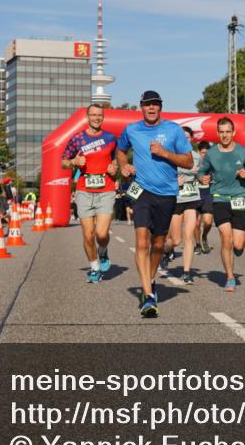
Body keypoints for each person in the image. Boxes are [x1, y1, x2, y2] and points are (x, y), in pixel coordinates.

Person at [116, 90, 193, 318]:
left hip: (167, 193)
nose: (151, 108)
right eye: (147, 104)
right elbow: (120, 150)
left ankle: (149, 280)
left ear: (160, 107)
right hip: (141, 192)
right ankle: (148, 295)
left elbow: (189, 162)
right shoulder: (132, 130)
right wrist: (123, 165)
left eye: (155, 104)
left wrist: (165, 153)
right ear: (141, 107)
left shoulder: (173, 130)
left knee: (158, 243)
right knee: (142, 241)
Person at [61, 104, 118, 283]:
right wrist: (74, 161)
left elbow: (116, 160)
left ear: (103, 117)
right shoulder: (77, 139)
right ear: (87, 117)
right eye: (93, 115)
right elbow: (63, 162)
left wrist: (114, 167)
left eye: (99, 115)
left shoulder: (110, 138)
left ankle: (103, 251)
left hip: (106, 189)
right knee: (88, 235)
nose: (96, 118)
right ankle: (94, 267)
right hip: (84, 190)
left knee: (101, 234)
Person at [198, 118, 245, 292]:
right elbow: (201, 171)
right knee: (226, 238)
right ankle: (230, 278)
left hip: (239, 197)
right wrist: (202, 178)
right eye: (221, 132)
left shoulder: (243, 151)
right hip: (219, 198)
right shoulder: (211, 153)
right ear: (217, 133)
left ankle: (239, 247)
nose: (225, 135)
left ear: (233, 132)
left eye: (228, 132)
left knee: (238, 244)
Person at [164, 126, 202, 285]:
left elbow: (201, 174)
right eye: (182, 137)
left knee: (188, 235)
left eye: (187, 137)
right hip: (176, 199)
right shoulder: (171, 155)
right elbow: (163, 176)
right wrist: (174, 183)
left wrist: (203, 178)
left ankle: (186, 272)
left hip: (191, 198)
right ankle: (165, 251)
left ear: (191, 139)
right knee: (176, 240)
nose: (185, 139)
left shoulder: (197, 157)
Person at [195, 141, 214, 254]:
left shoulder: (212, 163)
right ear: (198, 152)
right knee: (196, 223)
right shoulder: (193, 162)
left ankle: (204, 236)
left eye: (207, 153)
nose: (205, 156)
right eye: (203, 153)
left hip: (208, 193)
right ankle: (198, 244)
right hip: (195, 193)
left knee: (208, 222)